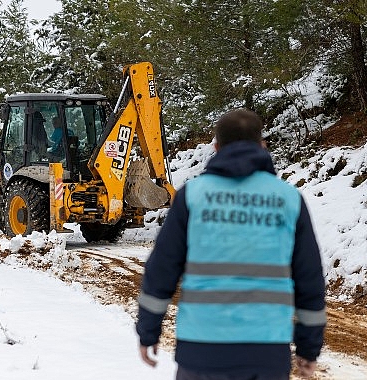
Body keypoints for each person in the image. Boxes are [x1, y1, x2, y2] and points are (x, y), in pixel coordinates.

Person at [136, 109, 326, 380]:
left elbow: (161, 270)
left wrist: (148, 331)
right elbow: (310, 280)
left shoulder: (193, 196)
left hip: (201, 350)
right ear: (262, 145)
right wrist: (309, 348)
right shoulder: (288, 199)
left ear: (216, 147)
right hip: (266, 351)